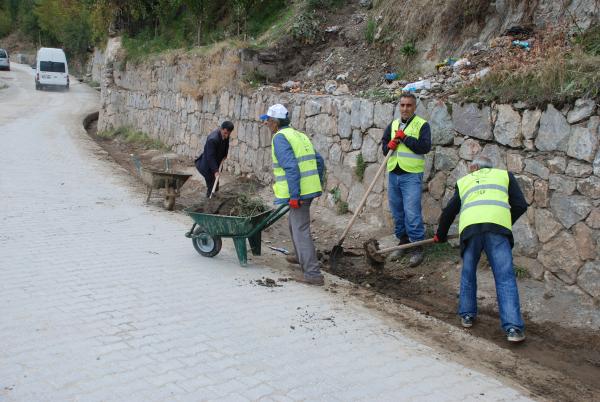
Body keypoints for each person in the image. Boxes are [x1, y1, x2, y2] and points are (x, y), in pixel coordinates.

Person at [433, 156, 528, 342]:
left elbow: (449, 211)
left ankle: (467, 315)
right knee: (505, 277)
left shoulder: (465, 181)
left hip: (471, 231)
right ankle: (514, 329)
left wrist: (441, 235)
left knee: (468, 273)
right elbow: (520, 205)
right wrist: (504, 222)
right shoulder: (504, 176)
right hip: (497, 230)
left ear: (475, 167)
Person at [261, 104, 326, 286]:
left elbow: (290, 167)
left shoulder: (280, 138)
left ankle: (313, 274)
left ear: (275, 122)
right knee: (294, 224)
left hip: (299, 192)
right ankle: (300, 256)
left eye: (268, 120)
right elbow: (319, 160)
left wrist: (296, 195)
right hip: (308, 188)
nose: (266, 124)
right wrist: (315, 181)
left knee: (300, 230)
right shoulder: (299, 135)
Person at [381, 93, 432, 267]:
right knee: (397, 212)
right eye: (402, 105)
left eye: (408, 105)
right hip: (394, 173)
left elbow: (424, 147)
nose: (405, 108)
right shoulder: (393, 124)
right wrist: (388, 146)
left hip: (411, 175)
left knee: (412, 212)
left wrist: (404, 138)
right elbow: (384, 146)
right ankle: (403, 241)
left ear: (414, 107)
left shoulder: (422, 125)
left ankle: (417, 247)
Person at [195, 121, 234, 198]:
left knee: (215, 185)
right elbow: (210, 157)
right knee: (212, 185)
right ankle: (209, 204)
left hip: (216, 163)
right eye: (225, 133)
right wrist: (216, 171)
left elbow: (226, 145)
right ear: (221, 129)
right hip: (207, 166)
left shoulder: (226, 135)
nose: (227, 135)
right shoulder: (212, 139)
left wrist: (225, 155)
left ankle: (212, 199)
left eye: (228, 133)